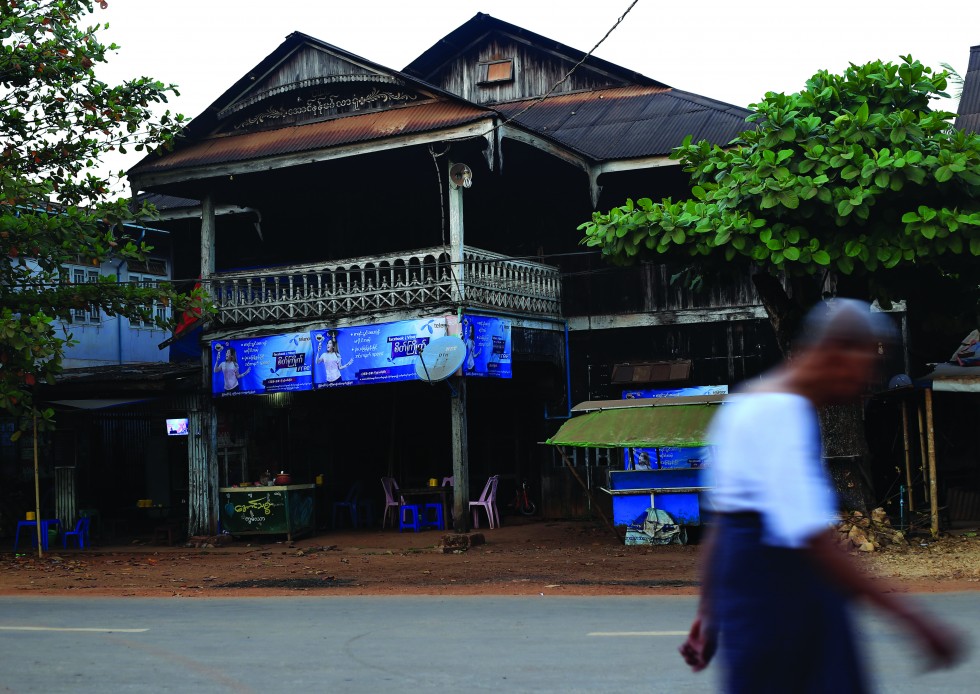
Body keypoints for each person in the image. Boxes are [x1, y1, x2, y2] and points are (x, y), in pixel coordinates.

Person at [679, 298, 962, 692]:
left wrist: (708, 615)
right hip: (781, 600)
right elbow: (813, 540)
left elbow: (721, 529)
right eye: (864, 368)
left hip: (752, 593)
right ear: (835, 351)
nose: (864, 383)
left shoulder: (746, 403)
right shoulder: (781, 412)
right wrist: (915, 622)